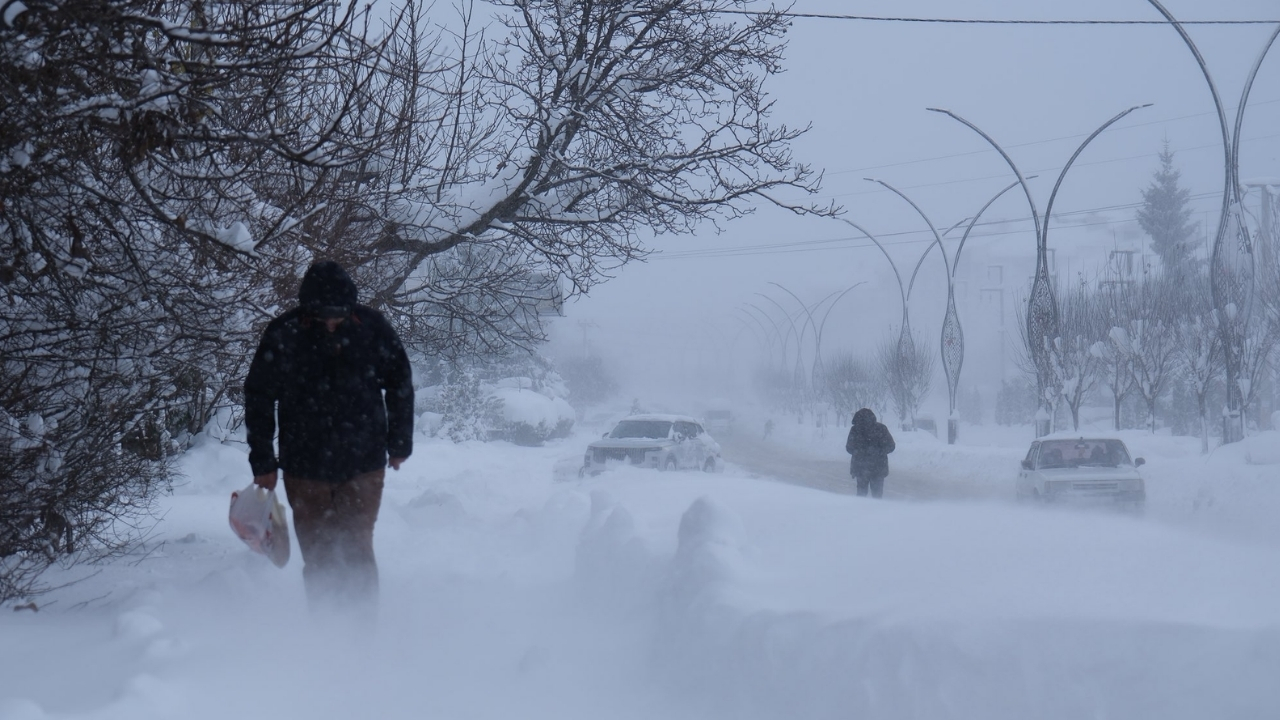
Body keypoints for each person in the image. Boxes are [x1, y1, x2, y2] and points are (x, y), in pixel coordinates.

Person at [245, 261, 414, 610]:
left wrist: (399, 443)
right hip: (304, 467)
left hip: (363, 463)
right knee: (318, 552)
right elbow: (259, 397)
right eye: (323, 316)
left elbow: (399, 384)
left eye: (338, 315)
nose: (331, 323)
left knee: (357, 547)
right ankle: (326, 631)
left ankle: (363, 630)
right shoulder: (284, 333)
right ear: (308, 309)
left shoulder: (373, 329)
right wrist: (262, 461)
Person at [845, 408, 895, 498]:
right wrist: (879, 452)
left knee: (861, 495)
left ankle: (860, 511)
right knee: (877, 496)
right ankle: (877, 511)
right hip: (878, 467)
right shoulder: (881, 428)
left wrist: (860, 452)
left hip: (860, 468)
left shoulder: (855, 430)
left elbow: (849, 448)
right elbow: (891, 446)